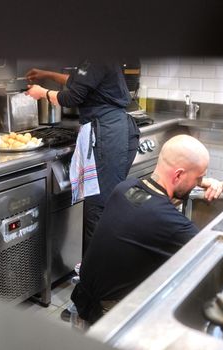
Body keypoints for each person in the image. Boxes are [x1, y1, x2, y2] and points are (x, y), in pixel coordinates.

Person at [70, 134, 223, 326]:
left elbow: (161, 200)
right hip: (110, 319)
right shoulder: (168, 223)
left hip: (83, 306)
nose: (199, 183)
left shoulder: (125, 188)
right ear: (178, 175)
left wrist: (200, 180)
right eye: (198, 178)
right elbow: (212, 255)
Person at [25, 59, 140, 254]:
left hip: (107, 133)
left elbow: (72, 97)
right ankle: (98, 273)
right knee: (103, 205)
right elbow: (81, 82)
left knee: (97, 208)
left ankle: (93, 278)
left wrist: (42, 93)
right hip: (116, 127)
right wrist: (48, 74)